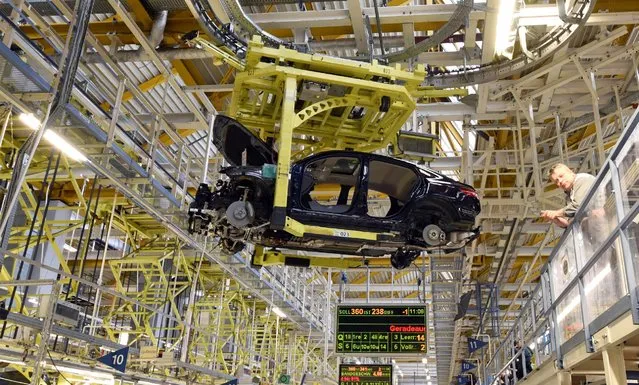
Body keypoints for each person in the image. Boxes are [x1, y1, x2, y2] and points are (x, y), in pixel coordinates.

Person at [540, 163, 598, 228]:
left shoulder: (582, 179)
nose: (560, 181)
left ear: (570, 172)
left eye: (561, 176)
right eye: (556, 181)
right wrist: (555, 218)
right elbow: (569, 223)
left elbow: (578, 205)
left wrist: (556, 213)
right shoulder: (568, 198)